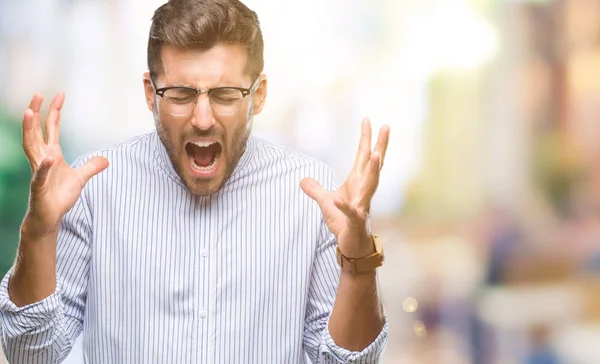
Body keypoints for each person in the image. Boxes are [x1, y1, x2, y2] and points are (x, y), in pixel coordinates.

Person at [0, 0, 390, 362]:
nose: (203, 118)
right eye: (182, 94)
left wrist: (359, 259)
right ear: (150, 94)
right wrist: (38, 233)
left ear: (258, 95)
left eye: (224, 94)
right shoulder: (93, 188)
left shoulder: (313, 195)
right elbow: (31, 354)